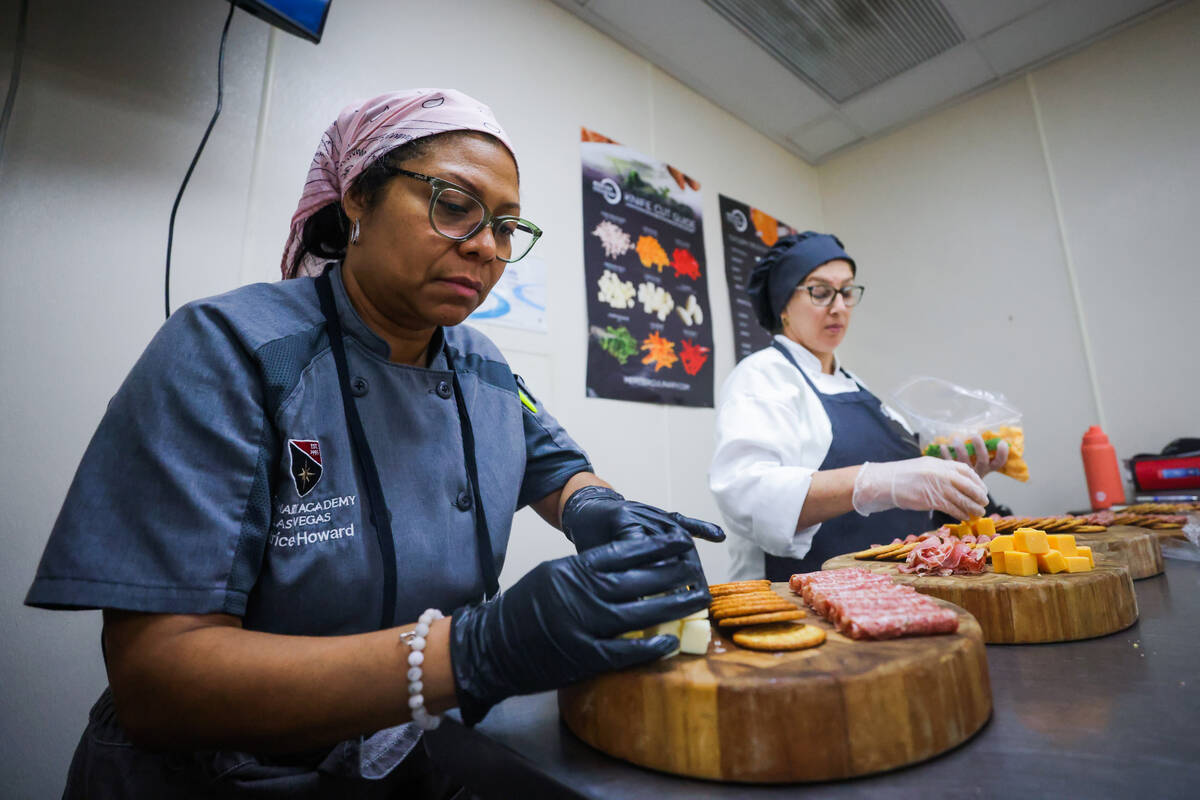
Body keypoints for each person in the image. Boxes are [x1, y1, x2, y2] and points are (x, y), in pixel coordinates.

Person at [26, 89, 723, 798]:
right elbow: (157, 680)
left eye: (508, 227)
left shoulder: (479, 362)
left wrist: (594, 508)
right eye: (455, 204)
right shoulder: (230, 350)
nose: (486, 245)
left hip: (414, 756)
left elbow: (554, 465)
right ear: (358, 196)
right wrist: (475, 650)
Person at [708, 232, 1003, 581]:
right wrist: (875, 482)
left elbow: (903, 498)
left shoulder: (856, 385)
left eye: (846, 292)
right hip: (804, 602)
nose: (838, 307)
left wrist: (951, 480)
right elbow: (748, 495)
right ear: (783, 304)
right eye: (820, 291)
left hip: (894, 593)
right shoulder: (763, 375)